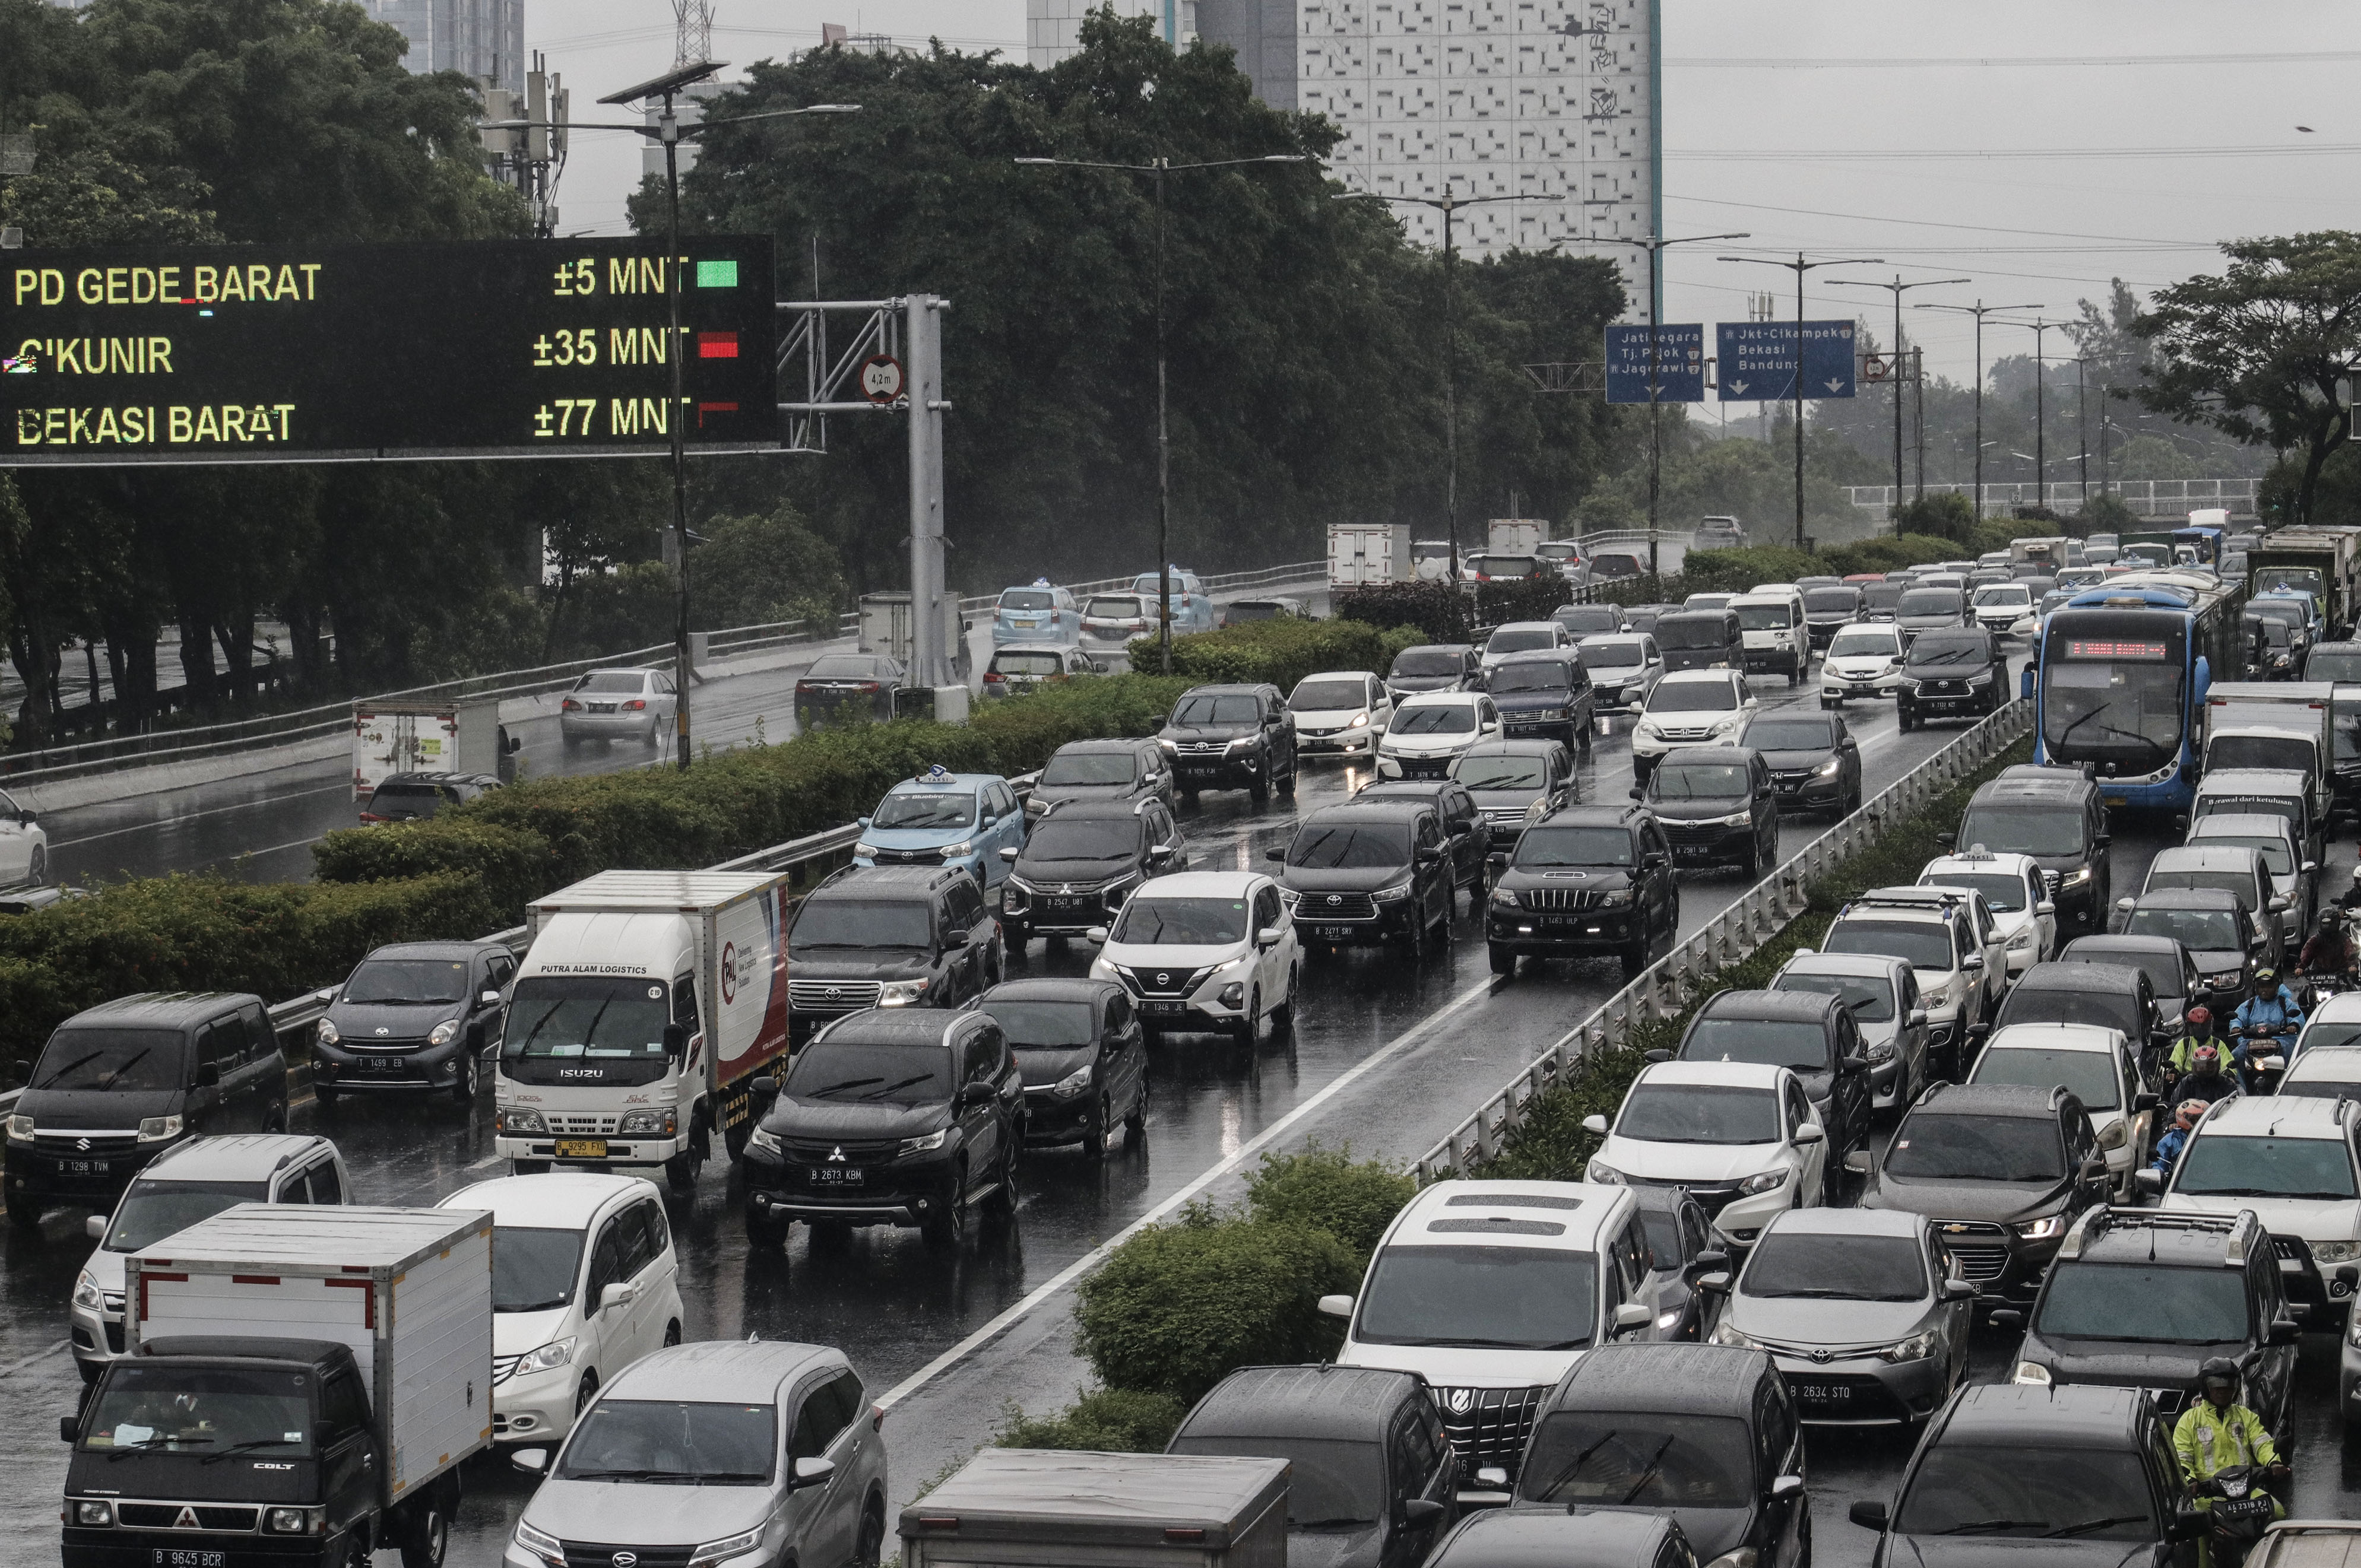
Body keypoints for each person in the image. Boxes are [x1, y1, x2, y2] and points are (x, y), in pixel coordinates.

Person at [2172, 1357, 2286, 1519]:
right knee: (2197, 1520)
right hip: (2208, 1496)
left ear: (2236, 1388)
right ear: (2206, 1388)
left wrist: (2274, 1462)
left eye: (2228, 1386)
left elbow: (2262, 1443)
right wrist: (2190, 1481)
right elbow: (2182, 1459)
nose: (2222, 1391)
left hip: (2247, 1491)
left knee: (2277, 1512)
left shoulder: (2246, 1416)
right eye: (2216, 1386)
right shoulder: (2189, 1420)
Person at [2230, 969, 2305, 1090]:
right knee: (2236, 1055)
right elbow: (2237, 1017)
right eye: (2261, 987)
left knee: (2294, 1057)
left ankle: (2287, 1085)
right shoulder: (2250, 1004)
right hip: (2252, 1042)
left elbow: (2297, 1016)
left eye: (2269, 986)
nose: (2265, 990)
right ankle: (2246, 1087)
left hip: (2281, 1041)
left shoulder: (2285, 1003)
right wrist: (2235, 1027)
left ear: (2277, 987)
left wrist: (2294, 1025)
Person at [2150, 1099, 2208, 1179]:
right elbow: (2159, 1166)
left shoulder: (2210, 1139)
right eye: (2195, 1120)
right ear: (2183, 1118)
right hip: (2180, 1181)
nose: (2199, 1123)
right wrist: (2162, 1177)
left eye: (2201, 1119)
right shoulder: (2168, 1142)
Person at [2176, 1045, 2240, 1109]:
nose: (2204, 1070)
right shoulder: (2187, 1083)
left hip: (2219, 1114)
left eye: (2209, 1066)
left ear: (2217, 1065)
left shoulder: (2226, 1084)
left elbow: (2234, 1109)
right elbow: (2175, 1106)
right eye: (2200, 1066)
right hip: (2190, 1115)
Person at [2299, 910, 2356, 981]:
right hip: (2319, 972)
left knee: (2352, 986)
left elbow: (2349, 951)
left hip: (2341, 973)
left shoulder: (2343, 938)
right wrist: (2300, 967)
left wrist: (2352, 965)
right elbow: (2307, 952)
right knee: (2306, 988)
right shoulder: (2315, 939)